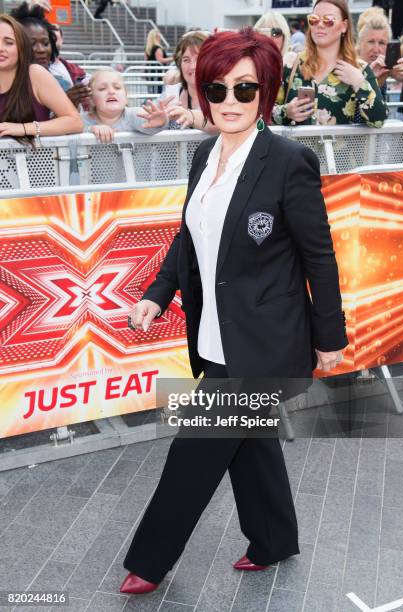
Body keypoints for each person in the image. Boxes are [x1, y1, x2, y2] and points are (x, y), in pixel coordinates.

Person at [119, 27, 348, 595]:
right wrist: (156, 294)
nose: (228, 102)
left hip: (267, 338)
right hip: (215, 331)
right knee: (250, 441)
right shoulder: (203, 153)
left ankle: (147, 563)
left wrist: (330, 336)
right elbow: (188, 240)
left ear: (265, 92)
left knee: (196, 446)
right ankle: (273, 540)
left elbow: (319, 256)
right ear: (201, 91)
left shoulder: (290, 160)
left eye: (244, 91)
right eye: (216, 89)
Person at [273, 0, 388, 127]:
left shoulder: (359, 69)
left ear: (344, 26)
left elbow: (379, 120)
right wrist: (286, 112)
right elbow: (263, 113)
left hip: (340, 147)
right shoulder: (291, 64)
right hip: (295, 146)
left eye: (328, 20)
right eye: (314, 19)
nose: (320, 25)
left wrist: (359, 83)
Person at [0, 14, 82, 139]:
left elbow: (74, 122)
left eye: (9, 43)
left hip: (38, 157)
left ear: (21, 47)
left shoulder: (34, 74)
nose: (1, 48)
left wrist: (23, 128)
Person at [10, 3, 91, 108]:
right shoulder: (6, 84)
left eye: (45, 43)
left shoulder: (63, 84)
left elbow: (71, 123)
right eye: (32, 43)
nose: (41, 50)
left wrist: (69, 102)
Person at [81, 68, 171, 143]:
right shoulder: (81, 120)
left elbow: (149, 126)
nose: (111, 92)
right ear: (91, 99)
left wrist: (160, 122)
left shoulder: (135, 114)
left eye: (117, 88)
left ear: (126, 97)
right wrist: (91, 130)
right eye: (102, 89)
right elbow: (73, 131)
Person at [161, 30, 217, 133]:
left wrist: (190, 116)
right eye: (186, 60)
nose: (193, 66)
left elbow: (220, 123)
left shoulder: (221, 93)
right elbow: (147, 118)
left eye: (199, 59)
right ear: (179, 63)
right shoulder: (172, 93)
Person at [357, 7, 403, 94]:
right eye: (371, 42)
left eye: (382, 43)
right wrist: (376, 80)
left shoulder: (386, 68)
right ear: (360, 44)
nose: (376, 49)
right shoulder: (348, 68)